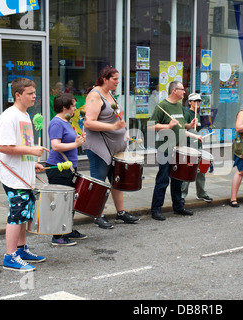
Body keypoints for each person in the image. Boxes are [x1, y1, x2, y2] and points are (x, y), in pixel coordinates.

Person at [0, 78, 49, 271]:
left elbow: (21, 147)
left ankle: (20, 249)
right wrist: (32, 151)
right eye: (30, 93)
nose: (35, 96)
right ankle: (10, 256)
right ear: (18, 95)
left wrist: (31, 164)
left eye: (34, 92)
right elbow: (2, 147)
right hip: (13, 176)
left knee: (25, 214)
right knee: (16, 215)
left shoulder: (25, 115)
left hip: (23, 174)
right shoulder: (9, 117)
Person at [83, 66, 139, 229]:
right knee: (99, 181)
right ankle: (97, 215)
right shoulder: (94, 95)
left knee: (116, 180)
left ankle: (120, 213)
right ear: (105, 79)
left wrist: (124, 132)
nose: (117, 82)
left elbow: (114, 118)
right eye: (114, 79)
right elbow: (88, 122)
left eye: (118, 79)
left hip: (114, 146)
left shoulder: (110, 94)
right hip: (99, 146)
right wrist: (115, 128)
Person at [148, 81, 202, 221]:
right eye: (182, 90)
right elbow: (150, 126)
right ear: (174, 91)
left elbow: (180, 125)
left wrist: (189, 125)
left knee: (178, 178)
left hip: (179, 147)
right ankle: (156, 210)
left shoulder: (179, 105)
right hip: (165, 147)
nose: (184, 92)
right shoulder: (162, 106)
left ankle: (178, 207)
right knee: (163, 178)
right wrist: (167, 125)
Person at [45, 93, 87, 246]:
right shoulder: (56, 123)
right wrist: (76, 144)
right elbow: (55, 145)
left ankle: (66, 229)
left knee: (69, 201)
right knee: (61, 202)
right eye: (73, 106)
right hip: (58, 167)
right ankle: (57, 236)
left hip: (68, 167)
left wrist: (79, 140)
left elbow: (69, 141)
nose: (76, 108)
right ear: (64, 108)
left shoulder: (67, 121)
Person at [181, 93, 213, 203]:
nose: (197, 103)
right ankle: (182, 195)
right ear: (190, 102)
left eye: (199, 101)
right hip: (189, 145)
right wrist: (189, 124)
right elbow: (183, 127)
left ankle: (201, 193)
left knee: (201, 170)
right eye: (195, 101)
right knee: (188, 170)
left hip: (197, 145)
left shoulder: (197, 114)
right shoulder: (187, 114)